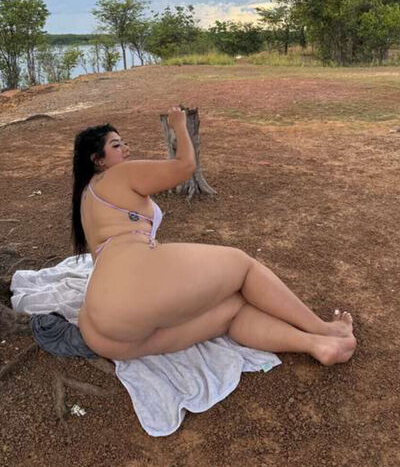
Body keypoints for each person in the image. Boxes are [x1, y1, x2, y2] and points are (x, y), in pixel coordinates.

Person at [72, 106, 356, 364]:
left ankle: (316, 345)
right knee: (242, 267)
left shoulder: (86, 197)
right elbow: (185, 166)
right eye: (116, 145)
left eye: (124, 143)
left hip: (101, 329)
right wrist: (178, 124)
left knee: (233, 309)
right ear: (98, 160)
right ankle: (323, 329)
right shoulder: (117, 175)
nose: (126, 149)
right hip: (131, 292)